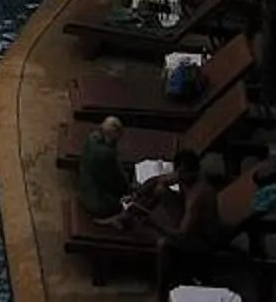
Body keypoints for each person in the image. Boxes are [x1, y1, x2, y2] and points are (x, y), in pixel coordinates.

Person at [151, 149, 235, 298]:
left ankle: (161, 293)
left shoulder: (198, 194)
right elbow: (158, 181)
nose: (180, 177)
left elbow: (183, 234)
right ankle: (131, 214)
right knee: (160, 190)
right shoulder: (184, 178)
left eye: (184, 173)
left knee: (163, 244)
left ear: (194, 172)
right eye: (179, 172)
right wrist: (137, 196)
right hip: (189, 222)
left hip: (202, 241)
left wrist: (154, 226)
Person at [74, 114, 137, 227]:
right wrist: (129, 190)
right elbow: (117, 183)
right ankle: (111, 220)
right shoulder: (106, 154)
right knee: (130, 203)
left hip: (84, 189)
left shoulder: (91, 139)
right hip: (98, 203)